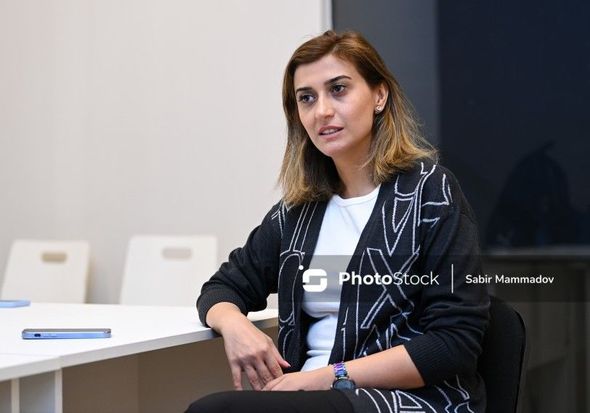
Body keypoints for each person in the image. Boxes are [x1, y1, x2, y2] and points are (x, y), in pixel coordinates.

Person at [187, 30, 489, 413]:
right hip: (309, 397)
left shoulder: (429, 192)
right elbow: (222, 287)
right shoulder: (300, 210)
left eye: (338, 89)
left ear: (379, 96)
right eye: (307, 98)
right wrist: (235, 326)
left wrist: (325, 377)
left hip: (406, 401)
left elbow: (454, 343)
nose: (322, 111)